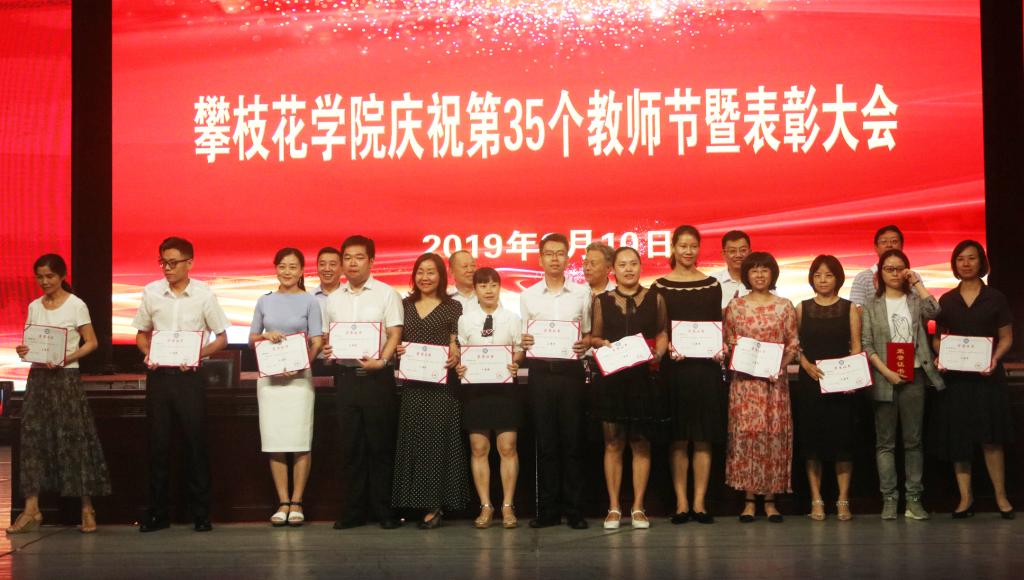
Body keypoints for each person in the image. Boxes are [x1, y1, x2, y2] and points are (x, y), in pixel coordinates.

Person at [7, 255, 111, 534]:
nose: (44, 282)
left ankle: (87, 508)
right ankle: (31, 509)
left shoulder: (76, 305)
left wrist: (67, 358)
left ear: (62, 276)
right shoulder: (34, 306)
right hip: (39, 377)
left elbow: (91, 342)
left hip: (66, 378)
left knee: (74, 438)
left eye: (50, 276)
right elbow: (32, 343)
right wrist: (23, 350)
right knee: (33, 439)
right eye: (40, 277)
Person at [132, 237, 229, 533]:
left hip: (190, 378)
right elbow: (141, 334)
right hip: (160, 377)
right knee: (158, 445)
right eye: (163, 262)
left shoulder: (203, 294)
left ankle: (201, 513)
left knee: (195, 444)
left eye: (173, 263)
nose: (167, 268)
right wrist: (148, 353)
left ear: (190, 263)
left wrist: (198, 354)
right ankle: (158, 514)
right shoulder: (151, 292)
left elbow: (221, 338)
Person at [321, 235, 403, 530]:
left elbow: (395, 333)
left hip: (376, 379)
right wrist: (328, 349)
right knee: (351, 447)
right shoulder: (333, 298)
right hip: (345, 379)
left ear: (371, 261)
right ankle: (354, 511)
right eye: (347, 257)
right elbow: (329, 336)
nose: (352, 263)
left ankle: (384, 510)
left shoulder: (386, 294)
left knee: (380, 446)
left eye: (358, 257)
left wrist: (382, 360)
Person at [928, 241, 1015, 519]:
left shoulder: (996, 298)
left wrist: (994, 359)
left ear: (981, 262)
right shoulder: (946, 300)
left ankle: (1001, 497)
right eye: (960, 259)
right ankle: (966, 499)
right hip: (956, 381)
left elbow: (1006, 337)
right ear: (954, 264)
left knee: (991, 439)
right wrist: (941, 356)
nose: (966, 264)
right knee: (959, 440)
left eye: (971, 258)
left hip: (988, 378)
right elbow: (938, 339)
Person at [861, 249, 943, 520]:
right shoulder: (871, 305)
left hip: (914, 376)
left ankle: (914, 499)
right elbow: (867, 344)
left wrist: (916, 282)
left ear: (907, 271)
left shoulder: (915, 300)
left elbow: (935, 311)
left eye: (900, 268)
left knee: (913, 442)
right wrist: (887, 372)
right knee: (885, 443)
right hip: (884, 378)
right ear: (880, 273)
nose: (895, 273)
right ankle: (889, 498)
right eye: (889, 269)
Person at [590, 247, 669, 530]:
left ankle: (638, 507)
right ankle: (614, 507)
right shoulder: (602, 300)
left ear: (640, 267)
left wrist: (659, 354)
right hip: (612, 379)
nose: (628, 269)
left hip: (642, 379)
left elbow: (662, 332)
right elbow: (595, 337)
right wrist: (602, 344)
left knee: (640, 443)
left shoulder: (656, 297)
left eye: (633, 263)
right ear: (613, 269)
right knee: (613, 443)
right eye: (622, 264)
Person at [653, 225, 724, 525]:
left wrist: (720, 347)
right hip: (675, 370)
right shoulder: (659, 286)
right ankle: (681, 503)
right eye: (682, 245)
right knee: (679, 439)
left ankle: (699, 503)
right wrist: (667, 345)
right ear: (673, 248)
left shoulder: (712, 285)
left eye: (693, 246)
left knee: (704, 438)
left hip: (706, 370)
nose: (688, 251)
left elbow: (717, 325)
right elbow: (658, 329)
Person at [520, 233, 592, 529]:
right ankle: (548, 510)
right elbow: (524, 336)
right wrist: (524, 341)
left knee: (573, 442)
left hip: (570, 374)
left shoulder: (582, 294)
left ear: (567, 258)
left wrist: (585, 343)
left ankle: (575, 510)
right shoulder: (528, 296)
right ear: (540, 259)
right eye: (549, 253)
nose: (554, 258)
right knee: (546, 443)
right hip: (540, 374)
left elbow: (587, 333)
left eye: (560, 253)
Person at [391, 253, 468, 529]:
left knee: (438, 445)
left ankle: (435, 505)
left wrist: (456, 353)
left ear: (441, 276)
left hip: (442, 389)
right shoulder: (403, 305)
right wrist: (397, 350)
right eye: (420, 272)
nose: (425, 277)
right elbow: (394, 340)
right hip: (413, 387)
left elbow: (457, 341)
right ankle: (412, 503)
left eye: (431, 272)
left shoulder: (453, 307)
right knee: (413, 443)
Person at [249, 248, 323, 527]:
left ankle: (297, 501)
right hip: (270, 381)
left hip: (299, 379)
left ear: (302, 271)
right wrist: (265, 336)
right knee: (275, 441)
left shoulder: (310, 301)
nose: (287, 271)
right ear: (276, 268)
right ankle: (282, 502)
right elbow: (251, 339)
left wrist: (304, 363)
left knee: (300, 440)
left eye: (293, 267)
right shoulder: (264, 301)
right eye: (282, 266)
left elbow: (317, 340)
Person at [723, 252, 799, 523]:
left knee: (772, 438)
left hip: (773, 384)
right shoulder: (735, 306)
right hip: (745, 385)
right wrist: (732, 350)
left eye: (764, 270)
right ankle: (748, 499)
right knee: (747, 437)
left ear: (772, 274)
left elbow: (792, 345)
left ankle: (770, 500)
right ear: (746, 274)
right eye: (754, 270)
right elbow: (728, 342)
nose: (759, 275)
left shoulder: (784, 306)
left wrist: (779, 366)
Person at [793, 255, 861, 521]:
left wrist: (852, 378)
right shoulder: (802, 308)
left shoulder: (849, 308)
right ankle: (816, 499)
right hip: (811, 383)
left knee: (843, 444)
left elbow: (856, 346)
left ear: (838, 279)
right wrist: (806, 365)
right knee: (813, 445)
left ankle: (843, 500)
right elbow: (794, 345)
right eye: (818, 275)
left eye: (828, 275)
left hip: (841, 386)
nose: (823, 280)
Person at [455, 267, 524, 529]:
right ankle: (485, 505)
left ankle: (507, 505)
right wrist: (460, 366)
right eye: (483, 285)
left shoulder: (512, 319)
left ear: (499, 287)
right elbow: (461, 352)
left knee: (508, 447)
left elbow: (519, 350)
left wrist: (516, 362)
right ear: (475, 289)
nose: (489, 290)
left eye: (493, 285)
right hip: (476, 390)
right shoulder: (465, 320)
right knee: (479, 448)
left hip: (505, 390)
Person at [849, 225, 903, 307]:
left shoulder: (912, 277)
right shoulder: (863, 278)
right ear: (876, 247)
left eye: (894, 241)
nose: (889, 245)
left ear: (902, 246)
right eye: (884, 242)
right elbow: (855, 310)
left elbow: (923, 309)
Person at [712, 230, 752, 309]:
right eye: (732, 251)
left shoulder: (760, 280)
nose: (738, 255)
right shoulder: (713, 282)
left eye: (743, 250)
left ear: (750, 252)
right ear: (724, 254)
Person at [312, 246, 342, 312]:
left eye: (332, 264)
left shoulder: (351, 296)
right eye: (322, 264)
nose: (327, 269)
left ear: (342, 268)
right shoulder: (309, 298)